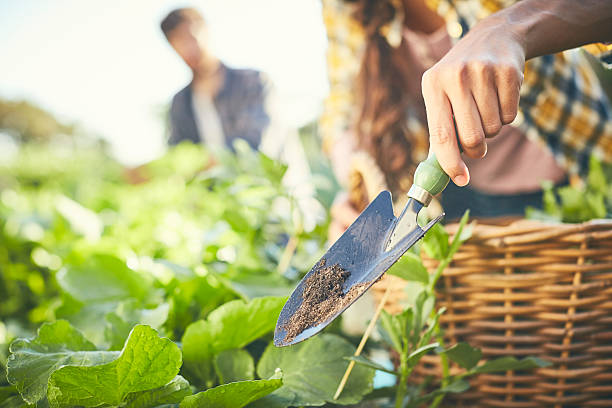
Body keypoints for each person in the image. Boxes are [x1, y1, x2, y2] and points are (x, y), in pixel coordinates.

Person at [322, 0, 612, 239]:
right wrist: (358, 185)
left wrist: (509, 27)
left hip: (565, 183)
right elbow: (343, 108)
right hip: (454, 202)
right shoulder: (343, 6)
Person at [160, 7, 323, 230]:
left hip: (283, 212)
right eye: (179, 43)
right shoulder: (182, 104)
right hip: (230, 221)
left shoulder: (254, 82)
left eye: (191, 37)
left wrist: (203, 163)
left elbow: (256, 147)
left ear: (206, 30)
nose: (189, 48)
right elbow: (178, 158)